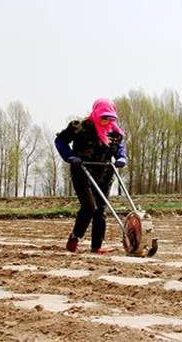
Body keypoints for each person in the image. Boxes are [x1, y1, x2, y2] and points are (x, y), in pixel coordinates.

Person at [55, 98, 127, 254]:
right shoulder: (79, 127)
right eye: (104, 117)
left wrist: (121, 157)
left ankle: (96, 246)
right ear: (96, 114)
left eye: (111, 118)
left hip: (104, 174)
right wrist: (69, 156)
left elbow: (120, 147)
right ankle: (75, 236)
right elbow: (60, 140)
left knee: (100, 209)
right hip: (82, 172)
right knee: (89, 207)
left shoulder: (115, 133)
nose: (107, 121)